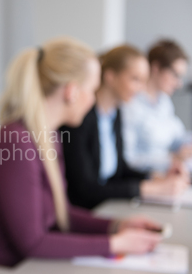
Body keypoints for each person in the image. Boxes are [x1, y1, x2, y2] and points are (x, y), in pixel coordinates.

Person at [0, 37, 163, 268]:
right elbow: (32, 243)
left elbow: (60, 214)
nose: (93, 99)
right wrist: (114, 243)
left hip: (25, 269)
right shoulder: (15, 142)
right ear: (71, 91)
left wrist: (116, 226)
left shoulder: (49, 136)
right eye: (92, 90)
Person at [61, 45, 189, 210]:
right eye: (135, 79)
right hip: (88, 210)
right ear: (110, 76)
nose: (142, 88)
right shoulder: (80, 119)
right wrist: (149, 188)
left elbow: (119, 169)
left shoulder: (115, 113)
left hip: (108, 205)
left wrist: (155, 177)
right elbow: (84, 189)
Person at [122, 39, 190, 173]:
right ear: (156, 68)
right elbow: (129, 159)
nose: (179, 84)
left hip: (165, 177)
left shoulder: (164, 102)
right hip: (143, 179)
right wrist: (172, 158)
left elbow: (179, 136)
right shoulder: (131, 104)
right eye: (175, 75)